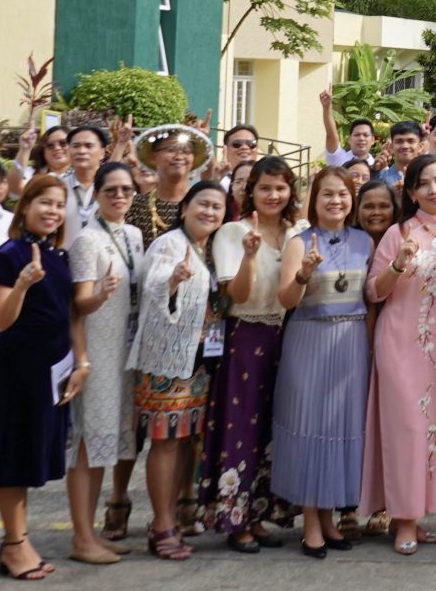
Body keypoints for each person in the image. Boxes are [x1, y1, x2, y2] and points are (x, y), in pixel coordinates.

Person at [362, 154, 436, 555]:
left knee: (432, 431)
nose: (434, 189)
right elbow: (374, 291)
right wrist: (398, 264)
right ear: (411, 192)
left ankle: (415, 516)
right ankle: (403, 519)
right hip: (400, 344)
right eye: (424, 183)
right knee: (405, 430)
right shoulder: (399, 232)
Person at [0, 174, 82, 581]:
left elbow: (70, 314)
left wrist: (80, 364)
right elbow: (1, 319)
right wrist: (23, 284)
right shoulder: (8, 255)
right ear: (24, 206)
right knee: (15, 457)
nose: (52, 211)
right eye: (44, 202)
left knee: (32, 458)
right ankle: (14, 543)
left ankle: (20, 540)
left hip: (53, 370)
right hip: (19, 369)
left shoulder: (58, 256)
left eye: (59, 205)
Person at [274, 168, 371, 558]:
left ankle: (329, 518)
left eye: (342, 194)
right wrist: (303, 274)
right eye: (327, 194)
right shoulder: (298, 242)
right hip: (309, 340)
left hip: (351, 343)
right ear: (314, 201)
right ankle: (311, 523)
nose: (336, 201)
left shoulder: (364, 240)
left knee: (339, 429)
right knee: (309, 427)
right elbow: (285, 299)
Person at [202, 153, 297, 551]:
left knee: (271, 428)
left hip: (285, 337)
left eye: (280, 187)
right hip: (244, 336)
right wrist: (250, 256)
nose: (273, 195)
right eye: (265, 188)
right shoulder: (232, 232)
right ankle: (234, 519)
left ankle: (258, 513)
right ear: (250, 191)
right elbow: (237, 295)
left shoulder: (296, 232)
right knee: (239, 428)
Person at [130, 180, 226, 562]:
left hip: (199, 360)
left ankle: (169, 517)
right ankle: (162, 525)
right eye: (203, 204)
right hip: (167, 361)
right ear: (184, 208)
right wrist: (172, 281)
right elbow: (153, 284)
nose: (209, 212)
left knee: (185, 439)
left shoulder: (211, 249)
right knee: (166, 441)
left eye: (217, 207)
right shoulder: (169, 244)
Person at [65, 161, 142, 557]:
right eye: (110, 189)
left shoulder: (133, 234)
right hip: (97, 351)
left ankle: (91, 533)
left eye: (126, 189)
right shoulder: (87, 240)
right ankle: (81, 537)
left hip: (125, 353)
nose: (119, 196)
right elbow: (78, 305)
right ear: (95, 193)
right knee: (88, 442)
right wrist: (101, 294)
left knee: (105, 444)